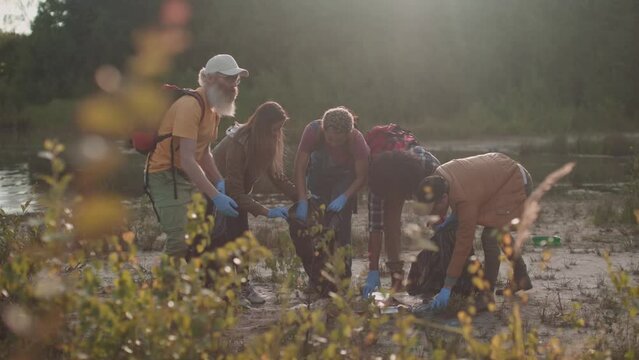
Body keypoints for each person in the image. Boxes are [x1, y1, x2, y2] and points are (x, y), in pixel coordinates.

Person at [146, 54, 247, 259]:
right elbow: (187, 159)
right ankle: (164, 289)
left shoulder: (213, 110)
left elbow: (204, 152)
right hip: (164, 175)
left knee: (197, 237)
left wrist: (220, 181)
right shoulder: (190, 106)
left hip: (185, 176)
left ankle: (188, 287)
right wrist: (216, 196)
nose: (233, 85)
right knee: (179, 240)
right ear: (209, 78)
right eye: (228, 79)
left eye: (236, 80)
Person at [415, 152, 533, 310]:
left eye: (434, 209)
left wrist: (447, 287)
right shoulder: (439, 176)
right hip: (497, 177)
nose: (433, 214)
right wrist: (447, 221)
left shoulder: (465, 199)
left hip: (514, 181)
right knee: (498, 229)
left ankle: (486, 295)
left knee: (490, 237)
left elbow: (463, 245)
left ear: (443, 198)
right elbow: (464, 195)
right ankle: (521, 276)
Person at [212, 101, 297, 304]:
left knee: (241, 240)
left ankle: (241, 286)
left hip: (237, 195)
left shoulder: (268, 141)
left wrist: (301, 198)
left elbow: (278, 177)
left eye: (280, 129)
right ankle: (229, 290)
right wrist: (266, 211)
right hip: (216, 192)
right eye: (275, 129)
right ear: (262, 126)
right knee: (224, 241)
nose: (278, 134)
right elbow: (235, 192)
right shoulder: (239, 143)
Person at [293, 107, 370, 279]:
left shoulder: (357, 140)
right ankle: (319, 276)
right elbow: (299, 168)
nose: (333, 143)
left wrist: (344, 197)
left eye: (339, 140)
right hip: (318, 176)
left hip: (346, 179)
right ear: (324, 129)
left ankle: (343, 277)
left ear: (348, 134)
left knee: (340, 225)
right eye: (330, 139)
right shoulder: (313, 131)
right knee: (318, 225)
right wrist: (302, 199)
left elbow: (362, 178)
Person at [362, 145, 440, 297]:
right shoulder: (378, 186)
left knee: (439, 223)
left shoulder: (429, 167)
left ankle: (440, 271)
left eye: (397, 195)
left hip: (412, 179)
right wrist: (373, 270)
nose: (395, 200)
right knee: (391, 228)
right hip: (394, 182)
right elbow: (375, 228)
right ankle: (396, 279)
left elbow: (446, 202)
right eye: (391, 195)